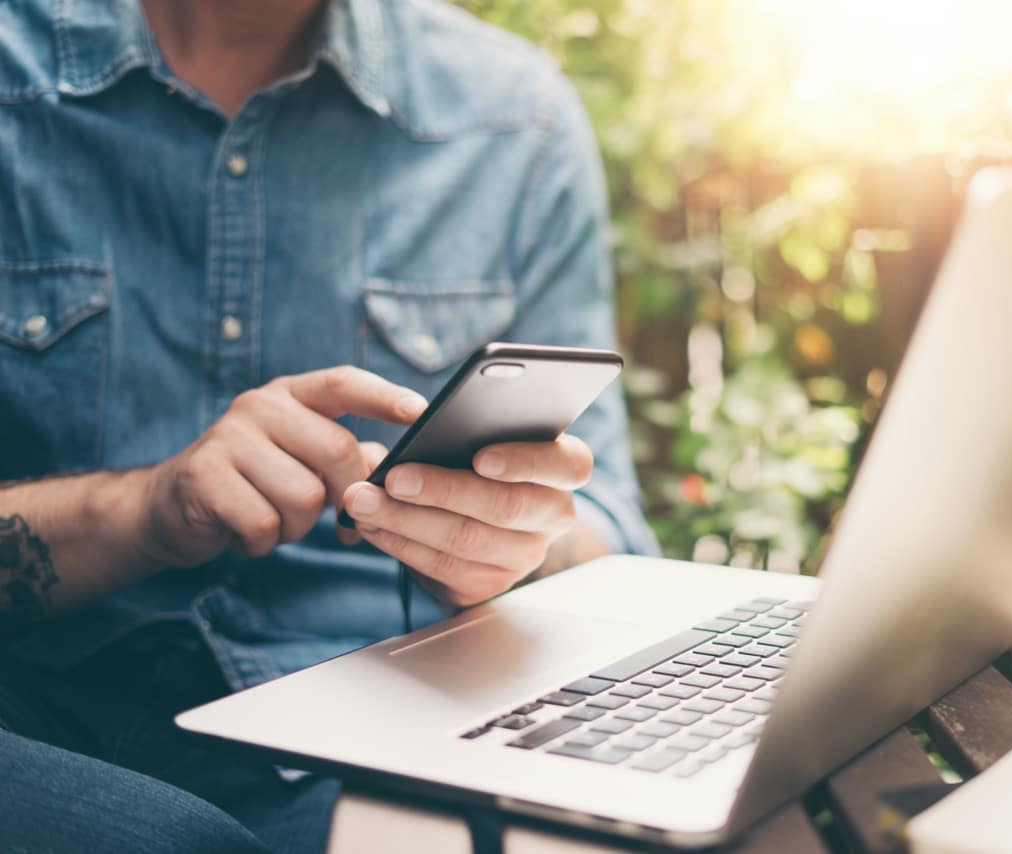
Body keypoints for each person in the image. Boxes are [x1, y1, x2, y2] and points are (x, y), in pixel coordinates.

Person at [0, 0, 656, 851]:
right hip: (36, 709)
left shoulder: (515, 118)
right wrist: (142, 512)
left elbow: (608, 530)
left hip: (375, 724)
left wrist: (513, 551)